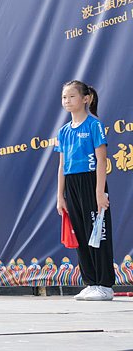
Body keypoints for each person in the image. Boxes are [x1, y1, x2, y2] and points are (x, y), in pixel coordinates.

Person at [55, 81, 114, 301]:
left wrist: (99, 192)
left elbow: (101, 160)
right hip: (72, 184)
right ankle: (91, 282)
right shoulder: (63, 131)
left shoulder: (93, 125)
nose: (67, 101)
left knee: (98, 233)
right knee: (80, 233)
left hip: (91, 181)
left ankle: (105, 285)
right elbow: (62, 165)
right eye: (64, 97)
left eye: (72, 96)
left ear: (85, 99)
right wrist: (60, 196)